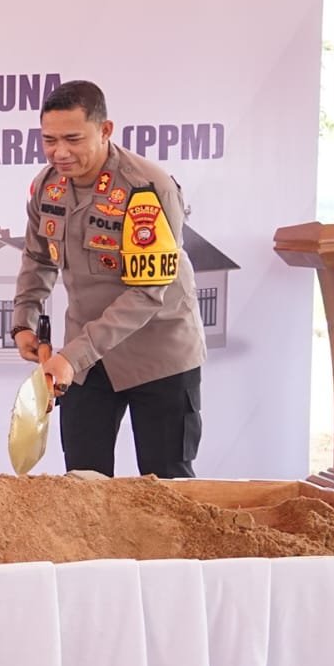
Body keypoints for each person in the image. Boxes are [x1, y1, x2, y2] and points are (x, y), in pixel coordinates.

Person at [11, 80, 204, 478]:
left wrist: (72, 356)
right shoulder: (47, 187)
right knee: (82, 487)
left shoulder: (146, 188)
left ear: (105, 130)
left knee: (167, 490)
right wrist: (23, 320)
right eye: (49, 140)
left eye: (73, 139)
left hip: (159, 355)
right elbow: (36, 257)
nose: (59, 152)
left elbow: (148, 294)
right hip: (86, 360)